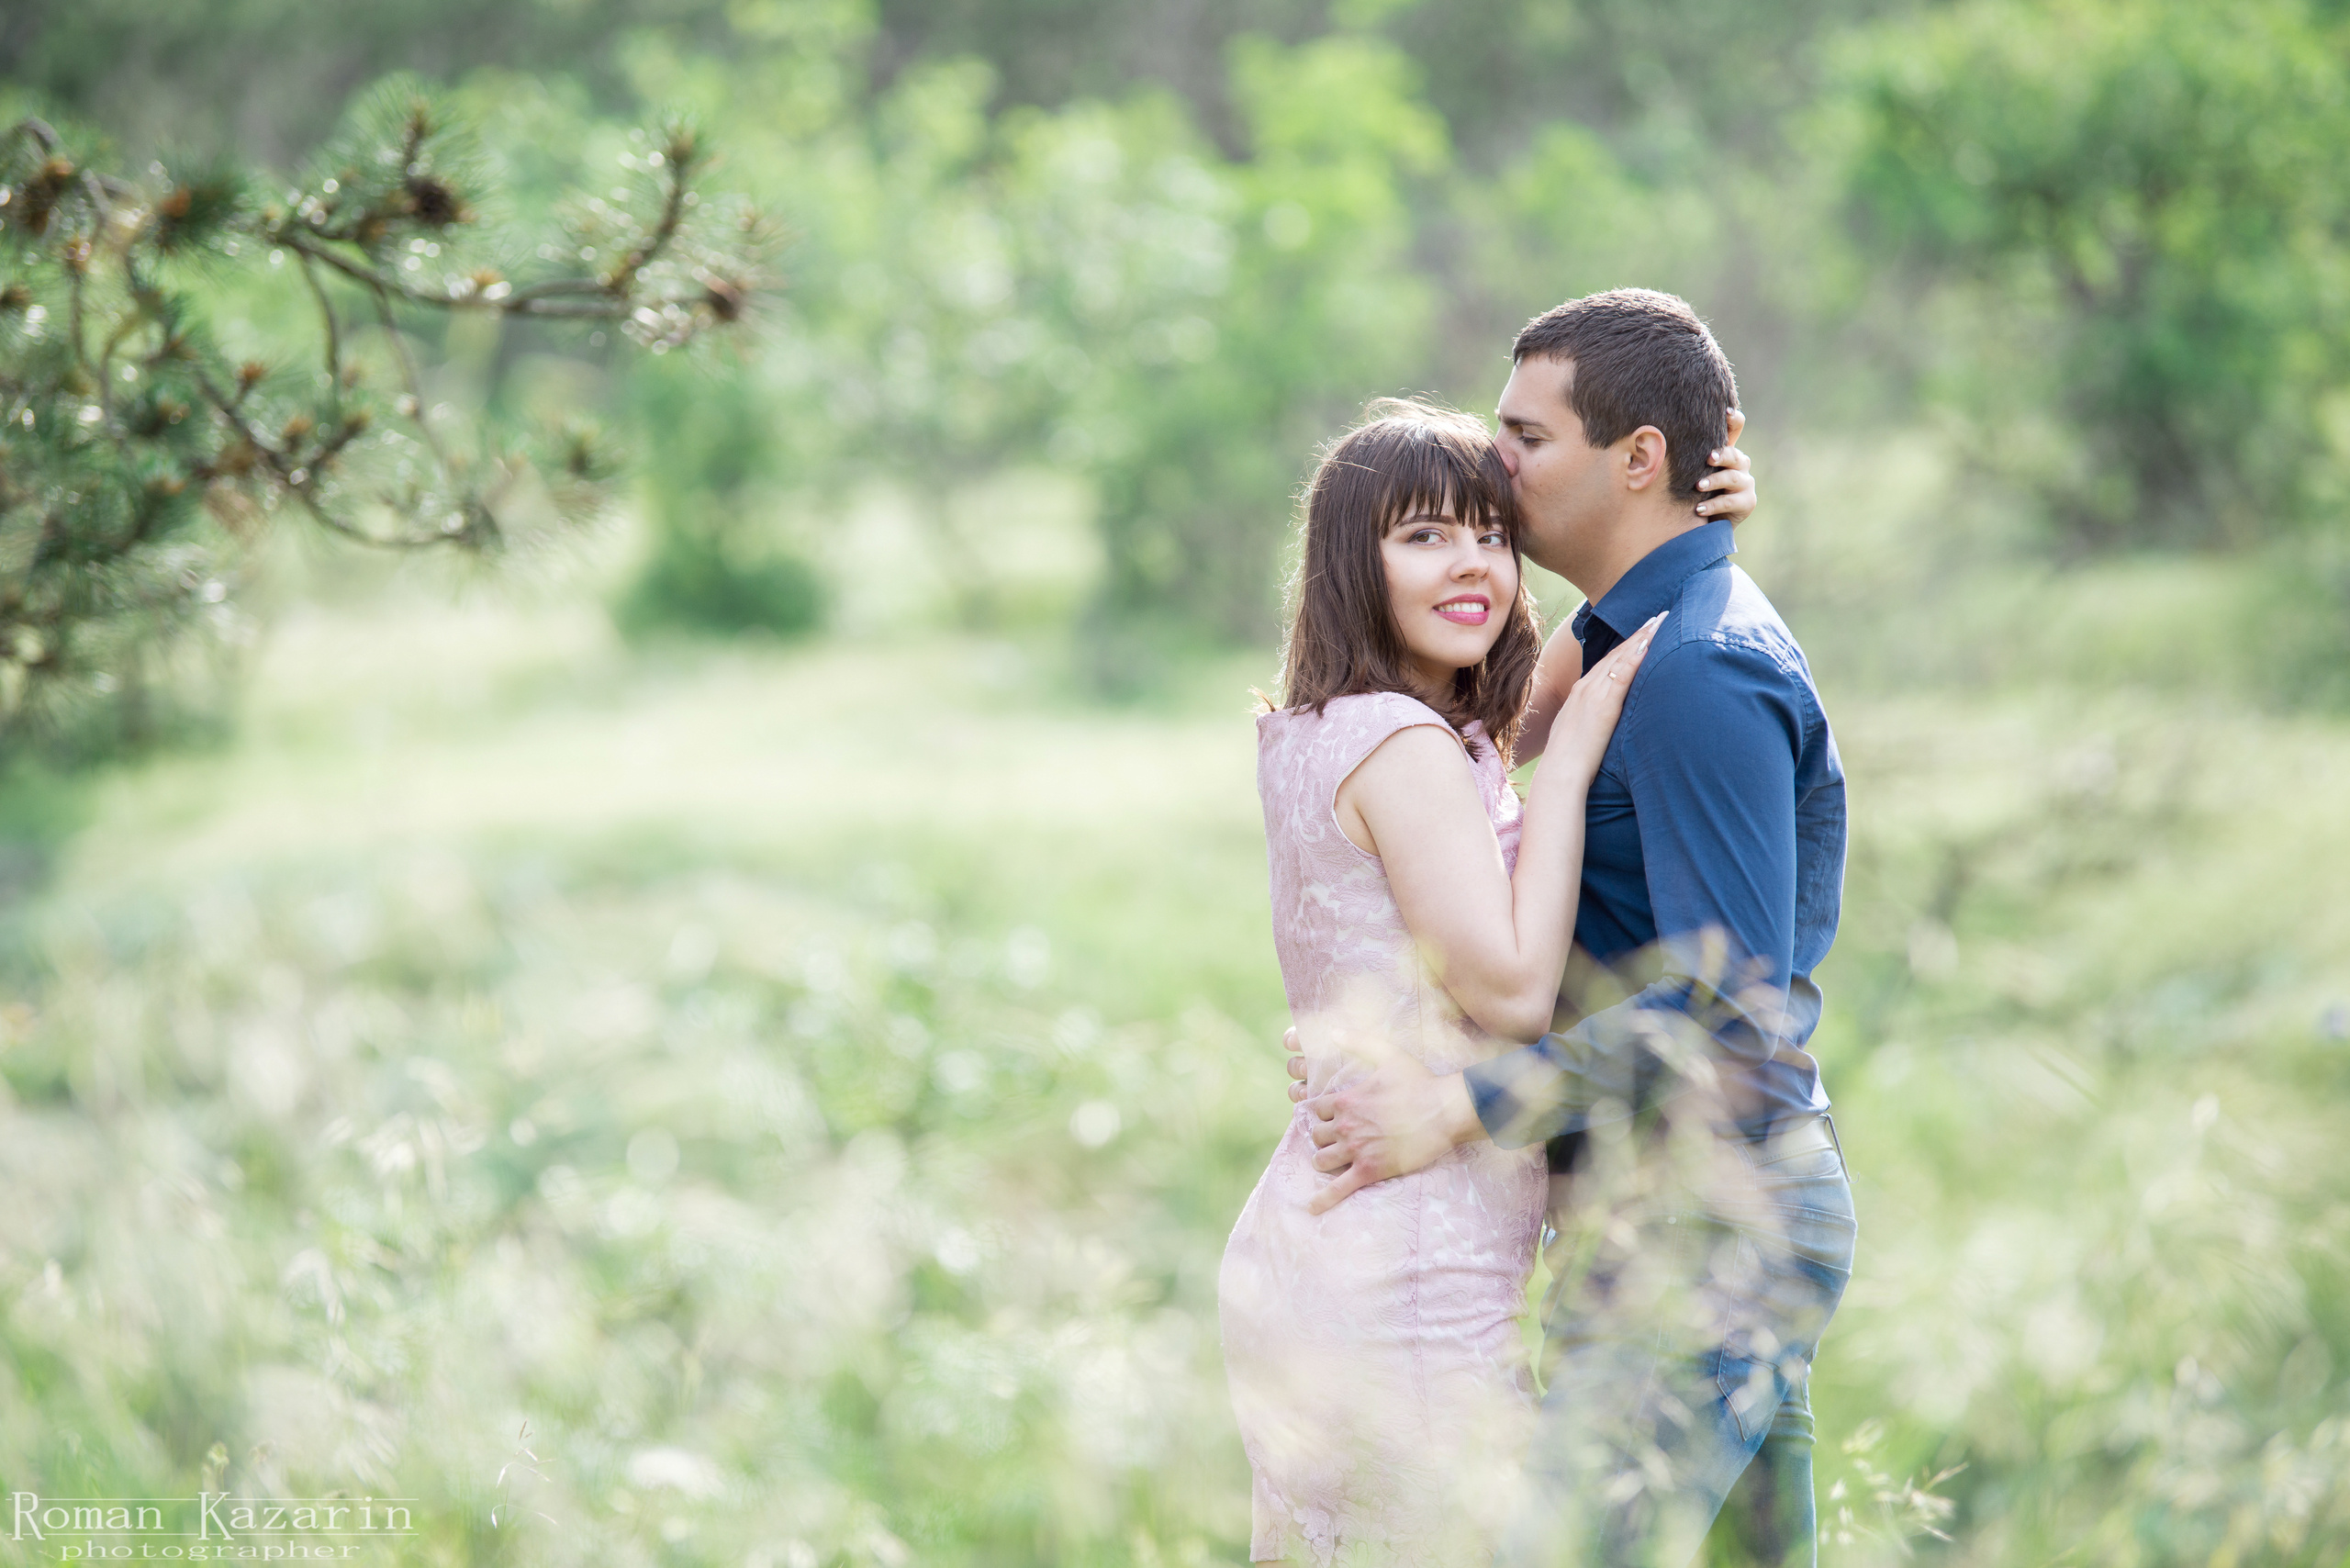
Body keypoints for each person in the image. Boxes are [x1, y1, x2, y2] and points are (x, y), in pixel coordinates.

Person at [1290, 290, 1855, 1567]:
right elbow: (1467, 781)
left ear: (1639, 460)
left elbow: (1729, 1008)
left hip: (1708, 1228)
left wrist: (1456, 1110)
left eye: (1526, 439)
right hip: (1660, 1212)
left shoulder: (1701, 670)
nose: (1499, 463)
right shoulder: (1628, 637)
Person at [1217, 390, 1756, 1565]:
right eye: (1422, 536)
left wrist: (1687, 531)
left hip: (1330, 1233)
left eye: (1490, 536)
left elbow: (1573, 655)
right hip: (1405, 1263)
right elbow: (1511, 994)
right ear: (1351, 564)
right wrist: (1560, 777)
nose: (1472, 566)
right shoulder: (1406, 750)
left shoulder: (1333, 725)